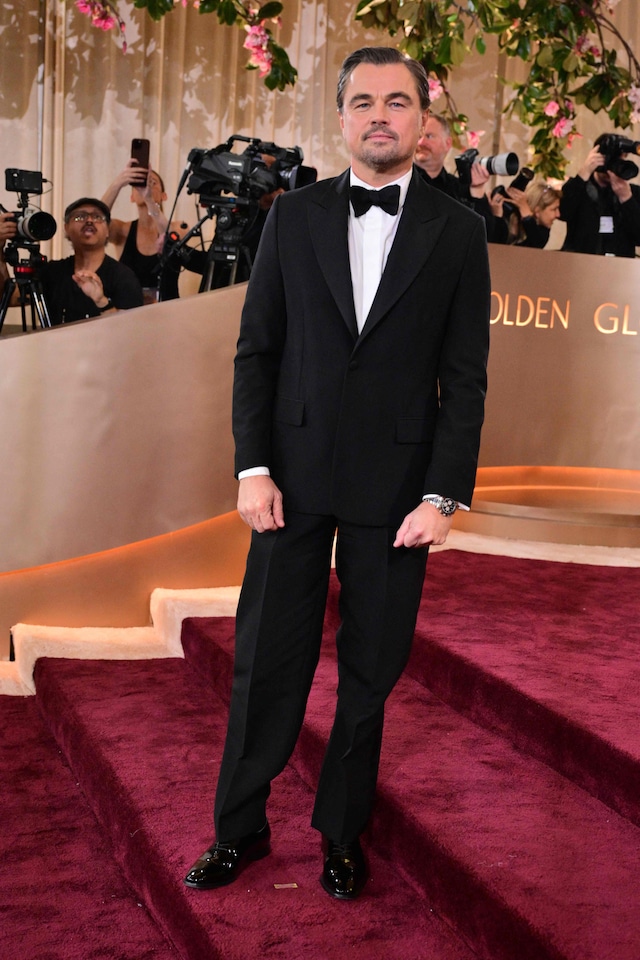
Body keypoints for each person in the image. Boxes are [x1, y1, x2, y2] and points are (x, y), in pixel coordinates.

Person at [183, 46, 490, 902]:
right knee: (264, 663)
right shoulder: (294, 216)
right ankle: (238, 830)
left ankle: (342, 835)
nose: (380, 116)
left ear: (423, 121)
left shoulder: (459, 232)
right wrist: (252, 468)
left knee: (369, 673)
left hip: (398, 494)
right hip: (288, 481)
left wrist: (442, 495)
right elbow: (257, 352)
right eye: (364, 102)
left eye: (397, 101)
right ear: (342, 117)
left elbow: (465, 378)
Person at [0, 198, 143, 325]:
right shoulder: (53, 272)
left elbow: (131, 331)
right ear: (66, 228)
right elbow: (9, 297)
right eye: (80, 217)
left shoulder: (123, 277)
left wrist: (101, 301)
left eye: (97, 217)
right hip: (57, 346)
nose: (89, 221)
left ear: (107, 231)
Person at [102, 161, 189, 301]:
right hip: (129, 308)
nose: (146, 187)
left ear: (164, 196)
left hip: (167, 308)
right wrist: (118, 183)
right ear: (131, 197)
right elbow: (97, 220)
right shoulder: (122, 230)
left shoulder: (179, 227)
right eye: (141, 183)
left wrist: (150, 201)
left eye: (152, 183)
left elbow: (169, 239)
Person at [414, 113, 508, 243]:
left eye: (429, 136)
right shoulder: (402, 182)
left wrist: (477, 190)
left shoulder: (459, 189)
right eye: (419, 136)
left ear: (448, 144)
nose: (421, 142)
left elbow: (486, 237)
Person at [560, 136, 640, 257]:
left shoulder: (633, 192)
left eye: (619, 161)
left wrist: (627, 199)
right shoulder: (579, 187)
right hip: (580, 262)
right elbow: (563, 213)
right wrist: (584, 172)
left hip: (620, 265)